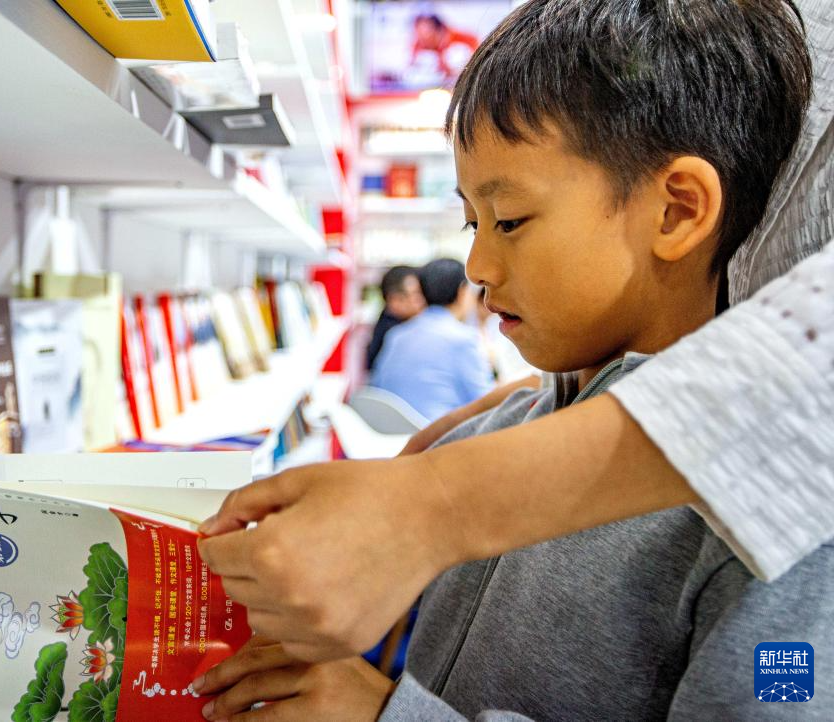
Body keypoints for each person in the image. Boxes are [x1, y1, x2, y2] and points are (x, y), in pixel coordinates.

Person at [193, 3, 829, 718]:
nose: (477, 266)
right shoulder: (484, 438)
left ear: (676, 211)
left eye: (509, 221)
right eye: (472, 222)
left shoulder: (773, 525)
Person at [370, 258, 492, 420]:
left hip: (390, 430)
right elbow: (487, 402)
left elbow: (378, 387)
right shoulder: (463, 338)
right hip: (439, 432)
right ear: (462, 292)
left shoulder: (396, 335)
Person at [365, 266, 425, 372]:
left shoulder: (390, 323)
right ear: (394, 300)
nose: (422, 300)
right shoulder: (394, 335)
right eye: (416, 294)